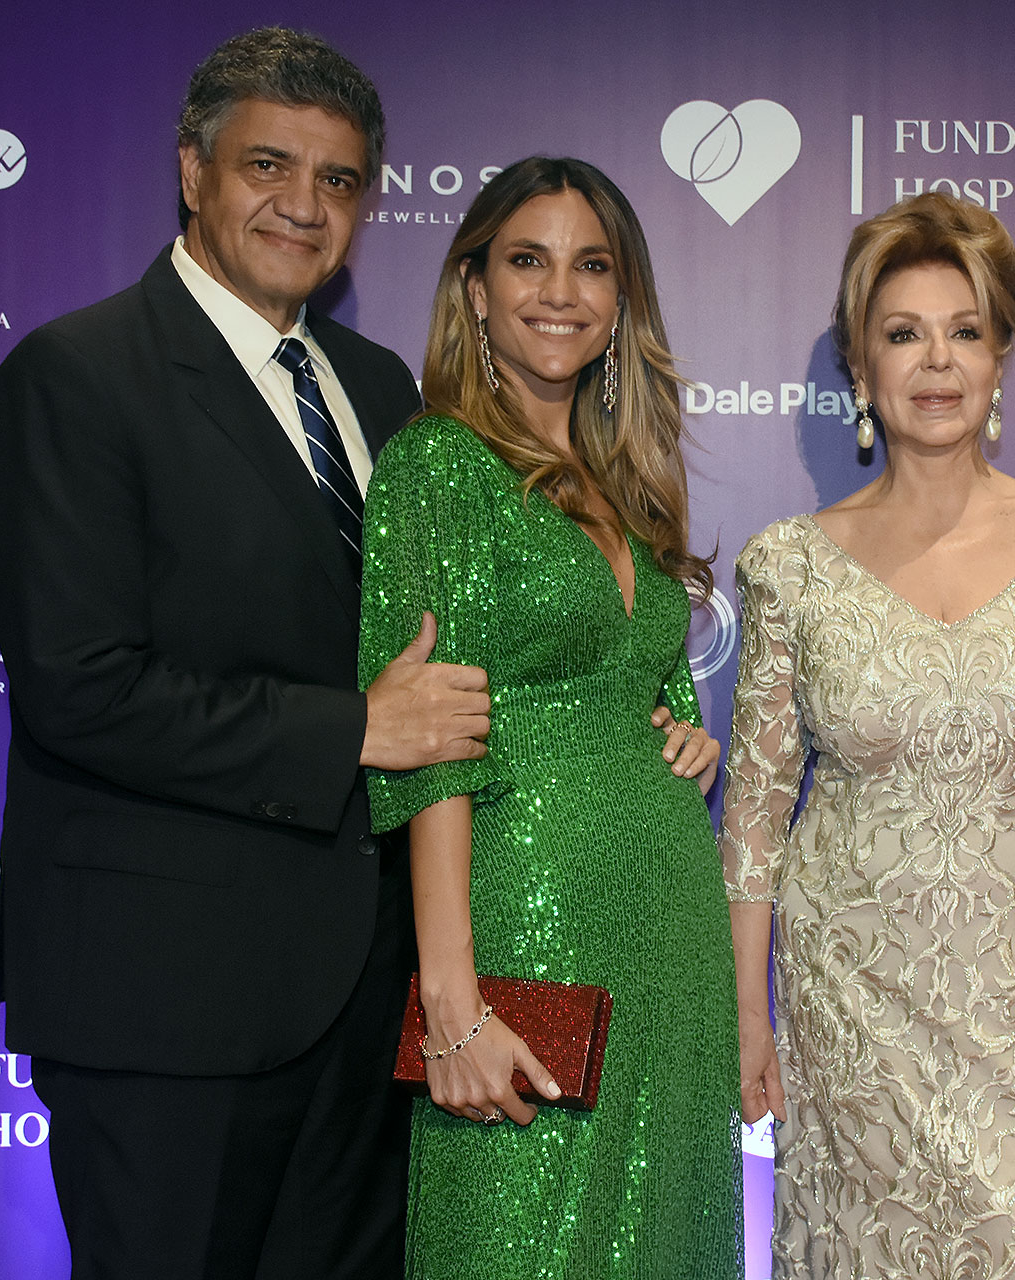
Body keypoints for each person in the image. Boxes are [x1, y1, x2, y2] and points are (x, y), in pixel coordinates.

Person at [0, 28, 493, 1280]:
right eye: (269, 165)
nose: (304, 207)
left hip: (369, 1001)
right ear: (192, 173)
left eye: (340, 180)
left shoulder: (379, 389)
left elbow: (444, 638)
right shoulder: (76, 376)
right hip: (167, 1002)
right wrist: (352, 729)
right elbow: (78, 685)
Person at [720, 191, 1015, 1279]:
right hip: (854, 1012)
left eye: (964, 330)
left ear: (1002, 354)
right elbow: (753, 817)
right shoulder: (789, 563)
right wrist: (751, 1015)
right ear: (861, 366)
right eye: (903, 332)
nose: (937, 361)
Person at [357, 155, 743, 1279]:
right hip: (527, 930)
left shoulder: (629, 480)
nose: (560, 290)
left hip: (670, 934)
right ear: (473, 286)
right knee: (515, 1243)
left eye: (591, 265)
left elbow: (643, 675)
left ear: (623, 299)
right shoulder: (439, 465)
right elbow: (434, 747)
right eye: (527, 260)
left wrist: (684, 728)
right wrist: (452, 1005)